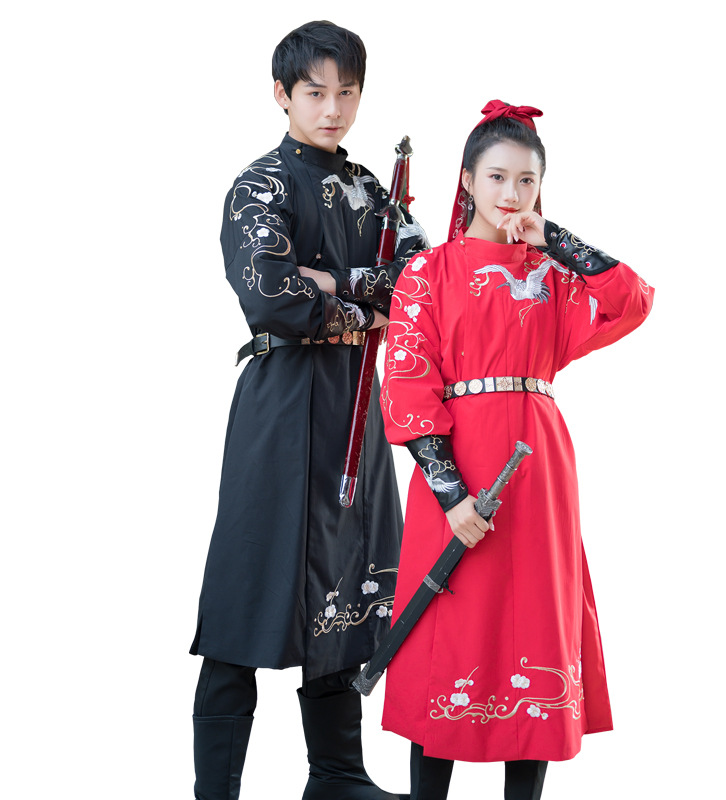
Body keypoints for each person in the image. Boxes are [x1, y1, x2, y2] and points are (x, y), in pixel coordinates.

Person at [378, 101, 654, 799]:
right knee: (447, 624)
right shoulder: (427, 273)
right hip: (456, 469)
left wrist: (552, 238)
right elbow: (407, 384)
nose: (511, 193)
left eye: (526, 181)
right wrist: (451, 494)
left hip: (538, 471)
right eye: (497, 177)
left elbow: (631, 300)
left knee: (535, 621)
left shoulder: (553, 277)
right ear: (467, 180)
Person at [189, 20, 427, 800]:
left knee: (347, 583)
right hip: (280, 408)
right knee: (246, 587)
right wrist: (363, 296)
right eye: (316, 92)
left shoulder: (374, 191)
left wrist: (331, 283)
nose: (333, 109)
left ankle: (336, 775)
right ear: (282, 94)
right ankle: (216, 789)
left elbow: (420, 287)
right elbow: (271, 294)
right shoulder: (259, 185)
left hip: (356, 407)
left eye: (347, 92)